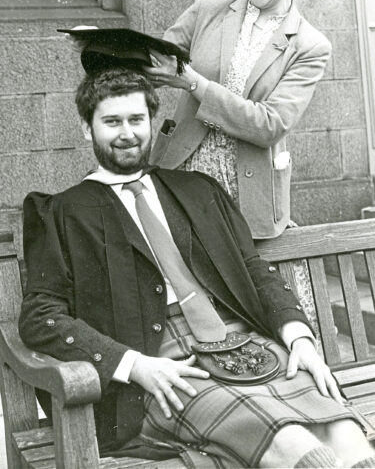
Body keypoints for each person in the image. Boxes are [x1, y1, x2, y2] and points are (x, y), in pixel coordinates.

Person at [19, 62, 375, 468]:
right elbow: (40, 315)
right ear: (88, 128)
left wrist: (299, 339)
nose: (127, 133)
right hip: (162, 367)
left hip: (247, 345)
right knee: (294, 443)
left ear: (152, 122)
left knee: (348, 438)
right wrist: (134, 366)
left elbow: (252, 268)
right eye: (111, 121)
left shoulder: (197, 190)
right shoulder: (63, 212)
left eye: (137, 119)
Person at [148, 0, 330, 240]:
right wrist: (107, 49)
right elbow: (155, 58)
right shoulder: (208, 8)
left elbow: (269, 126)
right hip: (183, 172)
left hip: (246, 192)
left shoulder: (310, 45)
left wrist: (193, 83)